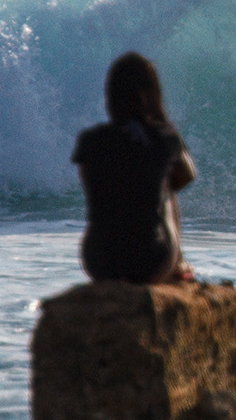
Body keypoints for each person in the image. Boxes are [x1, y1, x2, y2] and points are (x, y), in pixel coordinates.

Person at [72, 52, 198, 284]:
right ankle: (178, 264)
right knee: (166, 187)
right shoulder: (164, 137)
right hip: (151, 262)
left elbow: (91, 184)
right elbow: (188, 175)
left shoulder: (91, 140)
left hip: (98, 262)